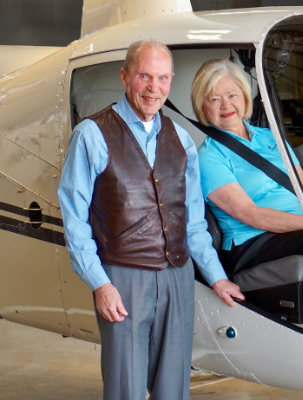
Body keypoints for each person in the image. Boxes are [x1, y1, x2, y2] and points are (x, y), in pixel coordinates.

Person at [58, 41, 244, 400]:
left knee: (174, 387)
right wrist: (100, 283)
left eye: (162, 78)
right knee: (125, 386)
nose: (153, 88)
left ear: (171, 80)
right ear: (126, 77)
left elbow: (192, 223)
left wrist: (217, 277)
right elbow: (75, 219)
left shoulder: (182, 140)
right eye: (144, 76)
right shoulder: (91, 135)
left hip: (177, 274)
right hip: (122, 276)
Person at [191, 58, 303, 279]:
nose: (226, 105)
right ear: (202, 106)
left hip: (301, 231)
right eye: (214, 99)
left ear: (245, 97)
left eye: (232, 95)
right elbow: (253, 216)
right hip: (254, 242)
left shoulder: (272, 137)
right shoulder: (209, 156)